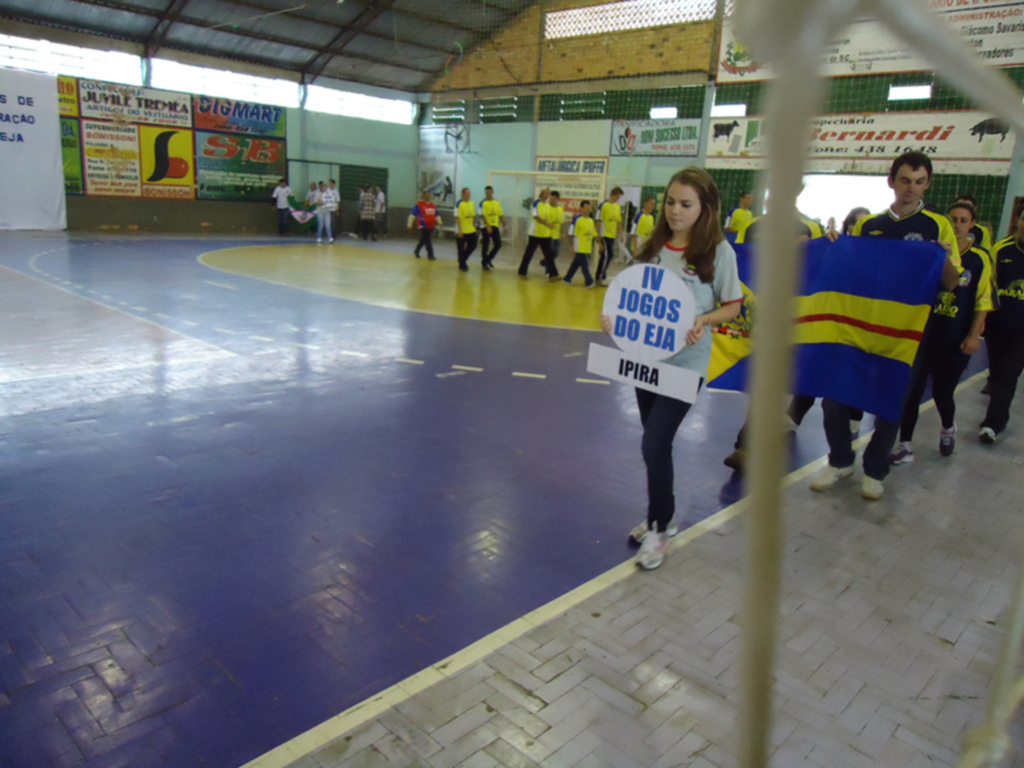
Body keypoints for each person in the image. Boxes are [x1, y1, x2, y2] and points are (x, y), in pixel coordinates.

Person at [601, 167, 743, 570]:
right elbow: (631, 296)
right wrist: (612, 319)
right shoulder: (655, 245)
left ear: (705, 208)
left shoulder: (718, 252)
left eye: (686, 204)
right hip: (646, 361)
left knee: (653, 443)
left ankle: (660, 531)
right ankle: (663, 515)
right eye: (670, 203)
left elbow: (733, 305)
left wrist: (705, 320)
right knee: (655, 443)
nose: (675, 211)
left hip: (687, 365)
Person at [811, 151, 959, 501]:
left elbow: (952, 282)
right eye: (905, 180)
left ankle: (875, 470)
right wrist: (833, 247)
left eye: (920, 182)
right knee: (833, 398)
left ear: (927, 184)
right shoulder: (868, 225)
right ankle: (840, 460)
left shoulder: (937, 226)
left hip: (906, 333)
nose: (911, 189)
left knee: (891, 402)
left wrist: (940, 258)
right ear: (891, 182)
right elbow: (851, 272)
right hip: (861, 328)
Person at [889, 202, 992, 463]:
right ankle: (906, 446)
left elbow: (983, 301)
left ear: (972, 224)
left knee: (942, 393)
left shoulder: (980, 259)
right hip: (924, 335)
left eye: (963, 220)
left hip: (954, 339)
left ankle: (948, 426)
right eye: (953, 219)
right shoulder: (933, 252)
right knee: (911, 393)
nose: (957, 224)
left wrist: (973, 335)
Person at [979, 208, 1024, 443]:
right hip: (998, 325)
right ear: (1018, 221)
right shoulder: (1002, 249)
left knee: (1008, 374)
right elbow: (988, 285)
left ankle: (992, 424)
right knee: (996, 374)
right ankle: (999, 417)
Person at [562, 200, 601, 288]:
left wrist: (600, 242)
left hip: (587, 247)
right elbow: (571, 234)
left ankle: (567, 278)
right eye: (586, 208)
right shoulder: (577, 220)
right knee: (584, 265)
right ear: (581, 209)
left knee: (576, 263)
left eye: (590, 208)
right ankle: (589, 282)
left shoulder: (591, 220)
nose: (589, 210)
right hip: (579, 246)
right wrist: (572, 246)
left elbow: (594, 233)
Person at [518, 188, 554, 279]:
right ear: (541, 194)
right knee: (529, 253)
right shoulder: (536, 203)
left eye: (549, 194)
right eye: (546, 193)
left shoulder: (548, 205)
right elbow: (536, 216)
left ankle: (554, 274)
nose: (547, 195)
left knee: (549, 255)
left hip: (544, 234)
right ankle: (522, 271)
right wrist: (546, 224)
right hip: (535, 234)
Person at [595, 187, 624, 286]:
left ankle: (600, 275)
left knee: (606, 256)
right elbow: (598, 220)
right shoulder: (603, 205)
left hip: (612, 235)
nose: (618, 199)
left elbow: (619, 221)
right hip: (604, 235)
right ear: (612, 194)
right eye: (617, 196)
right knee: (607, 255)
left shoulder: (617, 207)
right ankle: (600, 276)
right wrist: (598, 235)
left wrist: (621, 234)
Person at [409, 191, 441, 260]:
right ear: (424, 196)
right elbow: (412, 215)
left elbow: (437, 215)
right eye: (427, 195)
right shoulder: (419, 205)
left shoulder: (433, 205)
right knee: (427, 240)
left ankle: (416, 251)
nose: (428, 197)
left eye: (429, 195)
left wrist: (440, 222)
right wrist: (409, 224)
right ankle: (431, 255)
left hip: (431, 226)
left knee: (423, 239)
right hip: (422, 225)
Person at [479, 186, 505, 269]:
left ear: (492, 192)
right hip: (486, 226)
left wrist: (505, 225)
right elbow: (482, 215)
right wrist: (488, 226)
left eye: (489, 192)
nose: (488, 194)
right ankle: (484, 264)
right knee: (486, 244)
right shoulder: (482, 203)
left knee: (498, 244)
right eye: (486, 193)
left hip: (495, 225)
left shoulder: (496, 202)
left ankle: (488, 259)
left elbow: (500, 215)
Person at [455, 187, 479, 272]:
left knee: (473, 245)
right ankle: (462, 264)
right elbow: (457, 217)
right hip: (462, 230)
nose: (469, 195)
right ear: (463, 194)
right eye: (467, 194)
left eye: (470, 194)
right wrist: (459, 230)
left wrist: (475, 226)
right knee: (461, 249)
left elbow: (473, 215)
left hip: (471, 230)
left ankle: (462, 260)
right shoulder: (459, 204)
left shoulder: (472, 203)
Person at [546, 191, 565, 281]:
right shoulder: (547, 208)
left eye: (554, 199)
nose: (552, 200)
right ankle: (548, 271)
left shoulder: (560, 209)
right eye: (551, 198)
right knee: (549, 253)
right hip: (548, 235)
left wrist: (562, 233)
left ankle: (544, 263)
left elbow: (561, 223)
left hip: (557, 235)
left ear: (557, 199)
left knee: (556, 253)